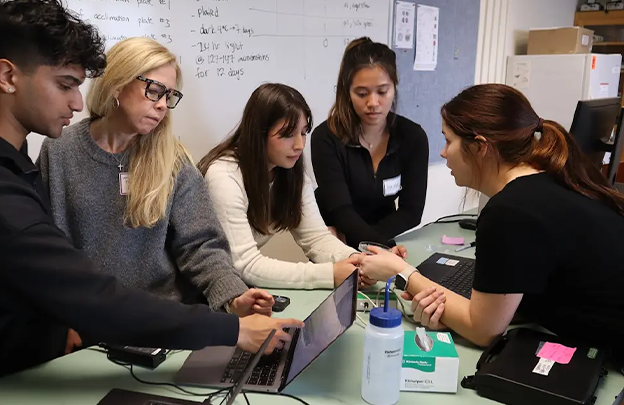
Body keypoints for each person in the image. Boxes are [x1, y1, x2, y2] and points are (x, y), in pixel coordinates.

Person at [0, 1, 302, 403]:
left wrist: (228, 297)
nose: (77, 102)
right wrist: (232, 331)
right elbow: (87, 294)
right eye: (64, 84)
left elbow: (34, 284)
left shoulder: (1, 159)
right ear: (8, 76)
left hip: (78, 345)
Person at [359, 83, 624, 368]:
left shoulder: (510, 211)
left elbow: (484, 329)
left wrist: (401, 272)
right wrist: (449, 310)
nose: (444, 152)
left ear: (481, 147)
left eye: (449, 141)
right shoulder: (550, 179)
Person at [37, 37, 274, 350]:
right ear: (117, 84)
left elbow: (202, 246)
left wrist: (233, 296)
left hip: (163, 325)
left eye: (170, 95)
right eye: (154, 90)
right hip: (88, 328)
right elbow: (45, 251)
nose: (162, 104)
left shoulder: (173, 160)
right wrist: (57, 317)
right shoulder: (59, 152)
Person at [198, 83, 369, 290]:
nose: (299, 145)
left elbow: (316, 238)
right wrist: (329, 274)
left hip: (237, 288)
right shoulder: (224, 176)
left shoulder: (291, 172)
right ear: (259, 133)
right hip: (201, 290)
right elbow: (245, 265)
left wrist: (356, 260)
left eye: (304, 132)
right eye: (288, 134)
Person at [311, 37, 428, 249]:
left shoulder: (413, 137)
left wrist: (373, 245)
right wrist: (379, 247)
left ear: (394, 87)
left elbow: (411, 211)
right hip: (336, 241)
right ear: (347, 92)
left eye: (382, 92)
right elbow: (341, 210)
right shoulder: (326, 137)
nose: (373, 103)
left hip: (380, 239)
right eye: (362, 93)